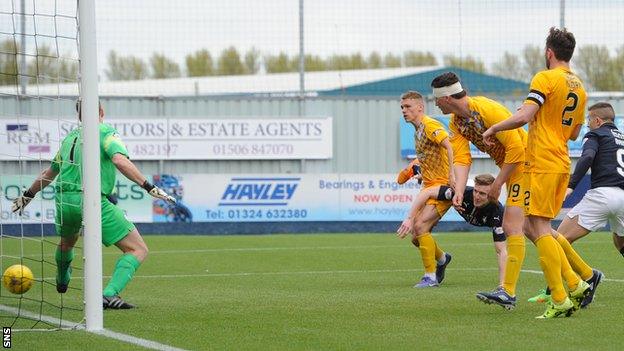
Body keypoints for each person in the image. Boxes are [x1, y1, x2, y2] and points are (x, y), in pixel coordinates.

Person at [11, 100, 176, 309]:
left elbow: (49, 173)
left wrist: (28, 195)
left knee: (66, 243)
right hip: (91, 199)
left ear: (79, 116)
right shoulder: (106, 132)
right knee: (137, 249)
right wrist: (148, 186)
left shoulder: (70, 138)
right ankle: (109, 294)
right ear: (101, 112)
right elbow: (119, 160)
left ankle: (62, 279)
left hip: (63, 199)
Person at [482, 27, 592, 318]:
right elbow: (574, 133)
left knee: (540, 229)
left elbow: (526, 116)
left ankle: (563, 295)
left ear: (549, 52)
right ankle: (574, 284)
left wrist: (494, 127)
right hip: (561, 161)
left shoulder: (545, 78)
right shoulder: (580, 87)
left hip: (541, 160)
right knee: (536, 225)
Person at [429, 71, 527, 310]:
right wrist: (460, 190)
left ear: (447, 98)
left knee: (516, 227)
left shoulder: (486, 110)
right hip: (513, 169)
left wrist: (497, 185)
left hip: (527, 165)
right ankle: (582, 278)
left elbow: (517, 151)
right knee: (536, 229)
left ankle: (508, 291)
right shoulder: (456, 122)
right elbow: (462, 158)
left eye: (436, 100)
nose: (435, 104)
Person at [529, 102, 622, 306]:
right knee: (620, 242)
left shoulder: (596, 134)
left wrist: (571, 185)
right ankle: (559, 287)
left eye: (589, 120)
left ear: (597, 120)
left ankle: (574, 283)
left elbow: (588, 156)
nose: (588, 124)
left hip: (603, 195)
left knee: (557, 239)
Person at [397, 171, 507, 286]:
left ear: (493, 194)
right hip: (448, 202)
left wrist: (502, 285)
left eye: (482, 194)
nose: (477, 196)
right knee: (416, 238)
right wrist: (409, 218)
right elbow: (427, 192)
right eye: (476, 191)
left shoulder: (497, 213)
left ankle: (432, 273)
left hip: (501, 220)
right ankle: (443, 259)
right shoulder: (463, 193)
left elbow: (501, 251)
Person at [396, 91, 456, 288]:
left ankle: (430, 277)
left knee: (420, 226)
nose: (404, 111)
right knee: (416, 237)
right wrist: (416, 171)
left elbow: (449, 145)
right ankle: (442, 258)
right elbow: (428, 157)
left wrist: (453, 176)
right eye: (402, 107)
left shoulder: (430, 125)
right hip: (429, 185)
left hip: (442, 188)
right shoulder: (418, 130)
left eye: (408, 107)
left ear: (420, 107)